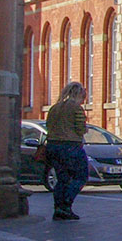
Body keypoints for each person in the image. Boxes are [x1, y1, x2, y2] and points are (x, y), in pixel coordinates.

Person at [43, 81, 90, 221]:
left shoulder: (54, 108)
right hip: (70, 146)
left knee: (62, 178)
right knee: (81, 176)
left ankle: (58, 209)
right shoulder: (76, 108)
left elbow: (48, 126)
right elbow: (80, 129)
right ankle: (66, 205)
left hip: (52, 146)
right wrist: (84, 130)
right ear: (79, 94)